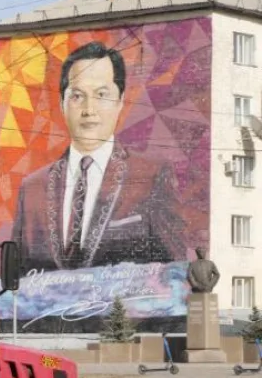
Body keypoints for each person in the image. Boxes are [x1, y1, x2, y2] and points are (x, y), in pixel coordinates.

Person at [9, 41, 184, 272]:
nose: (88, 109)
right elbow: (16, 273)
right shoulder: (33, 188)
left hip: (122, 308)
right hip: (45, 308)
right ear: (62, 103)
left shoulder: (151, 175)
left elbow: (173, 269)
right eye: (77, 96)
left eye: (102, 94)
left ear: (120, 100)